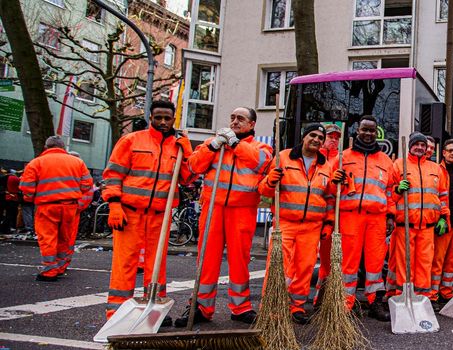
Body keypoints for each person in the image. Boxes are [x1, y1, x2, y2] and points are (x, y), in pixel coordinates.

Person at [101, 100, 193, 323]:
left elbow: (188, 178)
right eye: (158, 117)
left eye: (167, 118)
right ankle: (117, 314)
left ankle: (154, 311)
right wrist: (114, 205)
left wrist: (188, 152)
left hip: (159, 215)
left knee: (156, 266)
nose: (162, 122)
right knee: (125, 264)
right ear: (150, 117)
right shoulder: (131, 141)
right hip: (129, 212)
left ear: (173, 120)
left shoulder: (178, 147)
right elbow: (113, 175)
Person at [184, 107, 272, 326]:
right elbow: (194, 166)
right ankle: (202, 307)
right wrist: (213, 146)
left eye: (240, 119)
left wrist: (234, 144)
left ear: (251, 124)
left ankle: (240, 307)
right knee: (206, 259)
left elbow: (261, 162)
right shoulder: (214, 143)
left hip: (242, 210)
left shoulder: (261, 146)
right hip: (213, 208)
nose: (234, 122)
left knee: (239, 260)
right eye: (232, 117)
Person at [259, 123, 334, 325]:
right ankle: (272, 307)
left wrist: (328, 223)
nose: (316, 140)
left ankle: (297, 307)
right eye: (313, 135)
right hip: (285, 223)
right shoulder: (283, 158)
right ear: (304, 136)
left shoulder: (326, 165)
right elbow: (264, 192)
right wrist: (270, 181)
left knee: (305, 268)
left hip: (312, 226)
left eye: (320, 137)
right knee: (277, 266)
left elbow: (329, 198)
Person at [330, 115, 394, 321]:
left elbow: (391, 191)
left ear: (377, 133)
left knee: (376, 263)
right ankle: (345, 304)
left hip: (377, 219)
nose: (368, 134)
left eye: (371, 130)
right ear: (357, 131)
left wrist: (391, 215)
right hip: (350, 217)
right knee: (349, 263)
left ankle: (374, 301)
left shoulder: (385, 161)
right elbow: (330, 189)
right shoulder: (342, 157)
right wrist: (334, 181)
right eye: (364, 129)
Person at [387, 132, 449, 303]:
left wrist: (444, 217)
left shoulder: (435, 168)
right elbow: (388, 194)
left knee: (424, 265)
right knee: (404, 265)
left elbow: (443, 196)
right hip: (405, 226)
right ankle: (402, 298)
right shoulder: (398, 166)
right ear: (410, 146)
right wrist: (397, 190)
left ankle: (422, 299)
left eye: (423, 145)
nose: (420, 148)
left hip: (428, 227)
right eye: (417, 145)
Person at [20, 136, 93, 282]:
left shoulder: (36, 163)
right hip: (70, 206)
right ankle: (60, 267)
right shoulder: (77, 162)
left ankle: (49, 270)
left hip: (47, 206)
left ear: (46, 147)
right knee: (64, 237)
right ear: (63, 147)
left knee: (47, 238)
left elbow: (26, 188)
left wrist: (32, 198)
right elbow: (87, 185)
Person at [430, 139, 453, 308]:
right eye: (449, 150)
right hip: (443, 223)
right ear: (443, 152)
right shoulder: (437, 170)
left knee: (451, 262)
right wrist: (441, 217)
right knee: (438, 261)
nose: (452, 153)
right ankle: (433, 295)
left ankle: (446, 291)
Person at [314, 122, 343, 304]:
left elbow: (335, 195)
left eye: (336, 137)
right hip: (308, 217)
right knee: (301, 260)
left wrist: (330, 220)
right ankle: (291, 300)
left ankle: (321, 297)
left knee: (328, 261)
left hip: (329, 218)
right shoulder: (312, 158)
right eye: (330, 136)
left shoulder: (341, 160)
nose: (333, 140)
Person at [1, 169, 21, 234]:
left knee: (5, 214)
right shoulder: (17, 179)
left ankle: (4, 228)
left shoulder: (3, 178)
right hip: (13, 198)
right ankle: (7, 228)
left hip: (4, 197)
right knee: (11, 214)